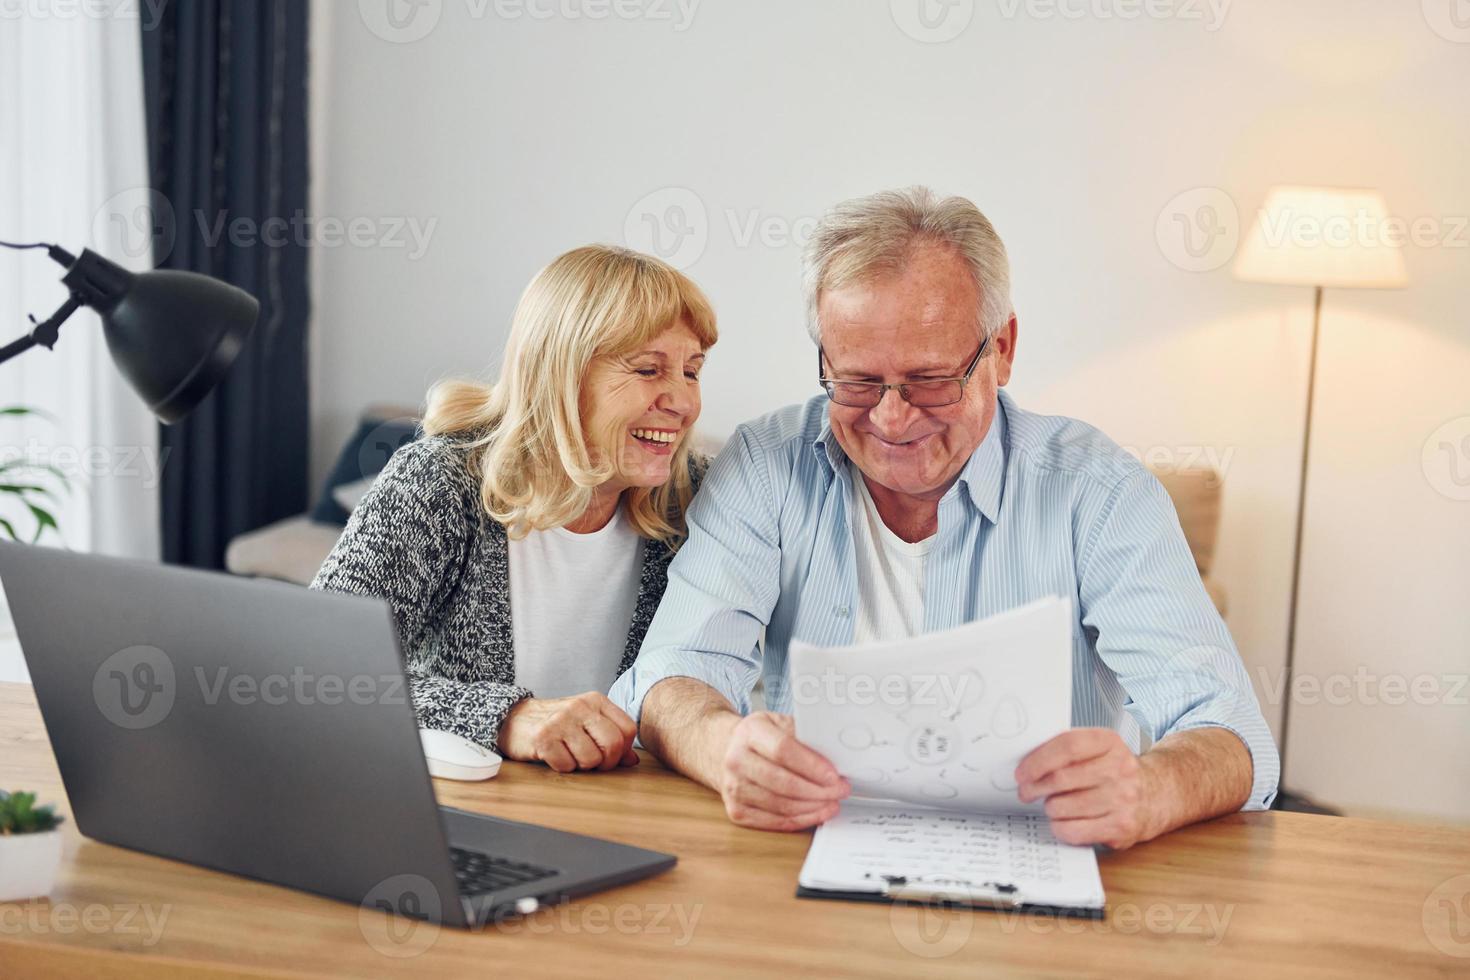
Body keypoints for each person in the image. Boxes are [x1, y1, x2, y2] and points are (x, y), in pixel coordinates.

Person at [610, 187, 1279, 847]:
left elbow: (1230, 731)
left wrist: (1152, 788)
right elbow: (672, 673)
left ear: (1004, 349)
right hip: (806, 853)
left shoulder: (1100, 492)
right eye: (858, 382)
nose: (891, 418)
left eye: (930, 380)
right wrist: (722, 745)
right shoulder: (765, 464)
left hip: (1039, 861)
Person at [313, 244, 716, 773]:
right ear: (560, 374)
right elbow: (320, 669)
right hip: (469, 805)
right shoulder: (442, 480)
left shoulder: (695, 500)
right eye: (647, 370)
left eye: (691, 371)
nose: (683, 402)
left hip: (628, 808)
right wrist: (505, 717)